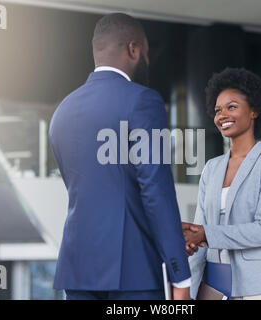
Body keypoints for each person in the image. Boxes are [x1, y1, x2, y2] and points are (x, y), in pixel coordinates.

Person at [48, 13, 191, 300]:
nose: (147, 61)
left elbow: (94, 188)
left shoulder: (61, 111)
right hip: (132, 269)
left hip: (77, 268)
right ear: (134, 49)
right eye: (146, 54)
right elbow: (155, 190)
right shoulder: (143, 100)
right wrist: (180, 275)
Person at [183, 67, 261, 300]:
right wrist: (192, 241)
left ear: (254, 111)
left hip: (256, 285)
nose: (222, 115)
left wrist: (204, 234)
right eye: (217, 110)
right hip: (212, 283)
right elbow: (201, 231)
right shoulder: (211, 168)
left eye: (232, 107)